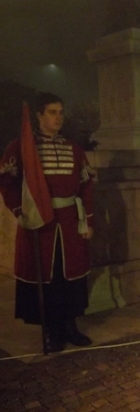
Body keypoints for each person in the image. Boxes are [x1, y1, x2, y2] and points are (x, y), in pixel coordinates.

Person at [0, 92, 94, 353]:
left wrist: (88, 220)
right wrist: (21, 212)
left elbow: (86, 185)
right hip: (40, 225)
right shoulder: (21, 147)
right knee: (47, 279)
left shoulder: (73, 148)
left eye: (61, 112)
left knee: (71, 277)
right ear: (39, 115)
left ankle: (71, 326)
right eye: (52, 112)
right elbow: (7, 183)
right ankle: (52, 330)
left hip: (70, 224)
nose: (58, 117)